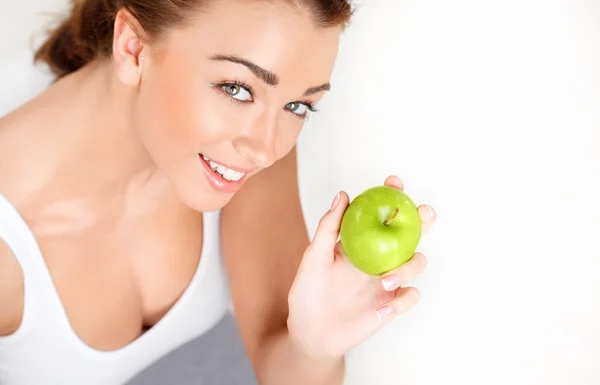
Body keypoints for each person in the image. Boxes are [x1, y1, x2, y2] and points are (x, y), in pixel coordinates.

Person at [0, 0, 437, 384]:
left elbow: (277, 363)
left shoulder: (239, 154)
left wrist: (314, 344)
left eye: (297, 106)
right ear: (133, 49)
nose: (267, 150)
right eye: (236, 89)